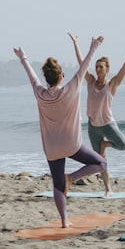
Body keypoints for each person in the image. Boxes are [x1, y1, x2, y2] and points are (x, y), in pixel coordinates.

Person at [13, 36, 107, 228]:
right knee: (101, 163)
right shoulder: (70, 89)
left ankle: (64, 221)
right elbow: (84, 67)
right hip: (71, 144)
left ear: (47, 78)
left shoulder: (40, 93)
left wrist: (23, 57)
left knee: (57, 185)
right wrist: (94, 46)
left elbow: (31, 76)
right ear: (61, 76)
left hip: (52, 148)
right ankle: (71, 178)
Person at [68, 33, 125, 197]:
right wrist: (76, 44)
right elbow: (83, 64)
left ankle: (106, 145)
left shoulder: (112, 84)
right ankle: (108, 189)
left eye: (101, 67)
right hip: (93, 128)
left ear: (107, 69)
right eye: (96, 66)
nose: (98, 69)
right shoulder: (90, 81)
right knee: (100, 163)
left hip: (108, 125)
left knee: (123, 144)